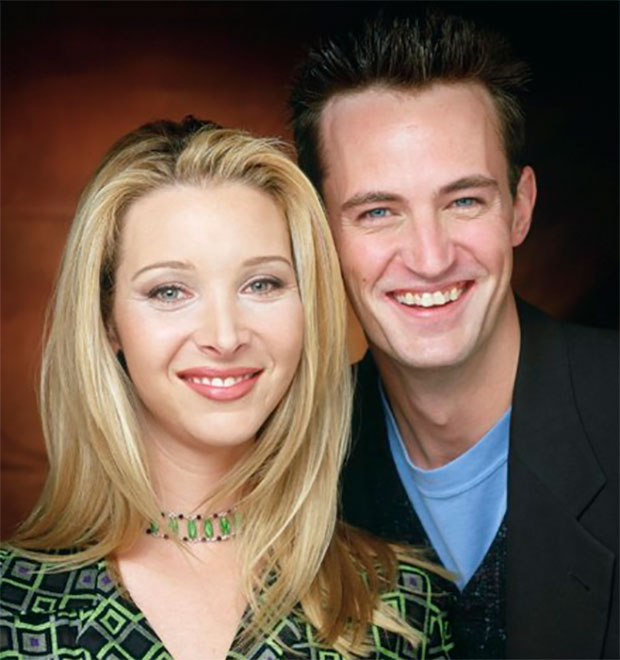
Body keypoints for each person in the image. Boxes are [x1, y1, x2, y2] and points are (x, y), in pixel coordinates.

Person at [0, 117, 454, 659]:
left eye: (261, 284)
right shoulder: (10, 605)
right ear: (107, 320)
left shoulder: (403, 604)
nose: (224, 336)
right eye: (170, 291)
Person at [289, 10, 618, 660]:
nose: (431, 257)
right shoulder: (293, 468)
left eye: (464, 201)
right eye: (378, 212)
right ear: (321, 235)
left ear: (520, 207)